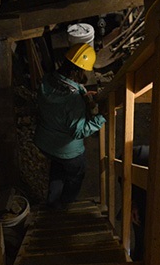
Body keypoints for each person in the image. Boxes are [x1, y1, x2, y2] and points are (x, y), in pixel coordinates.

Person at [34, 43, 106, 209]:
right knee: (75, 175)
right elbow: (79, 131)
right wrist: (102, 118)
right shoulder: (73, 101)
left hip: (44, 143)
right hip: (68, 151)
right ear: (81, 71)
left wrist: (83, 94)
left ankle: (52, 203)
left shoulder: (47, 80)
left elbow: (58, 103)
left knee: (57, 168)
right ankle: (66, 204)